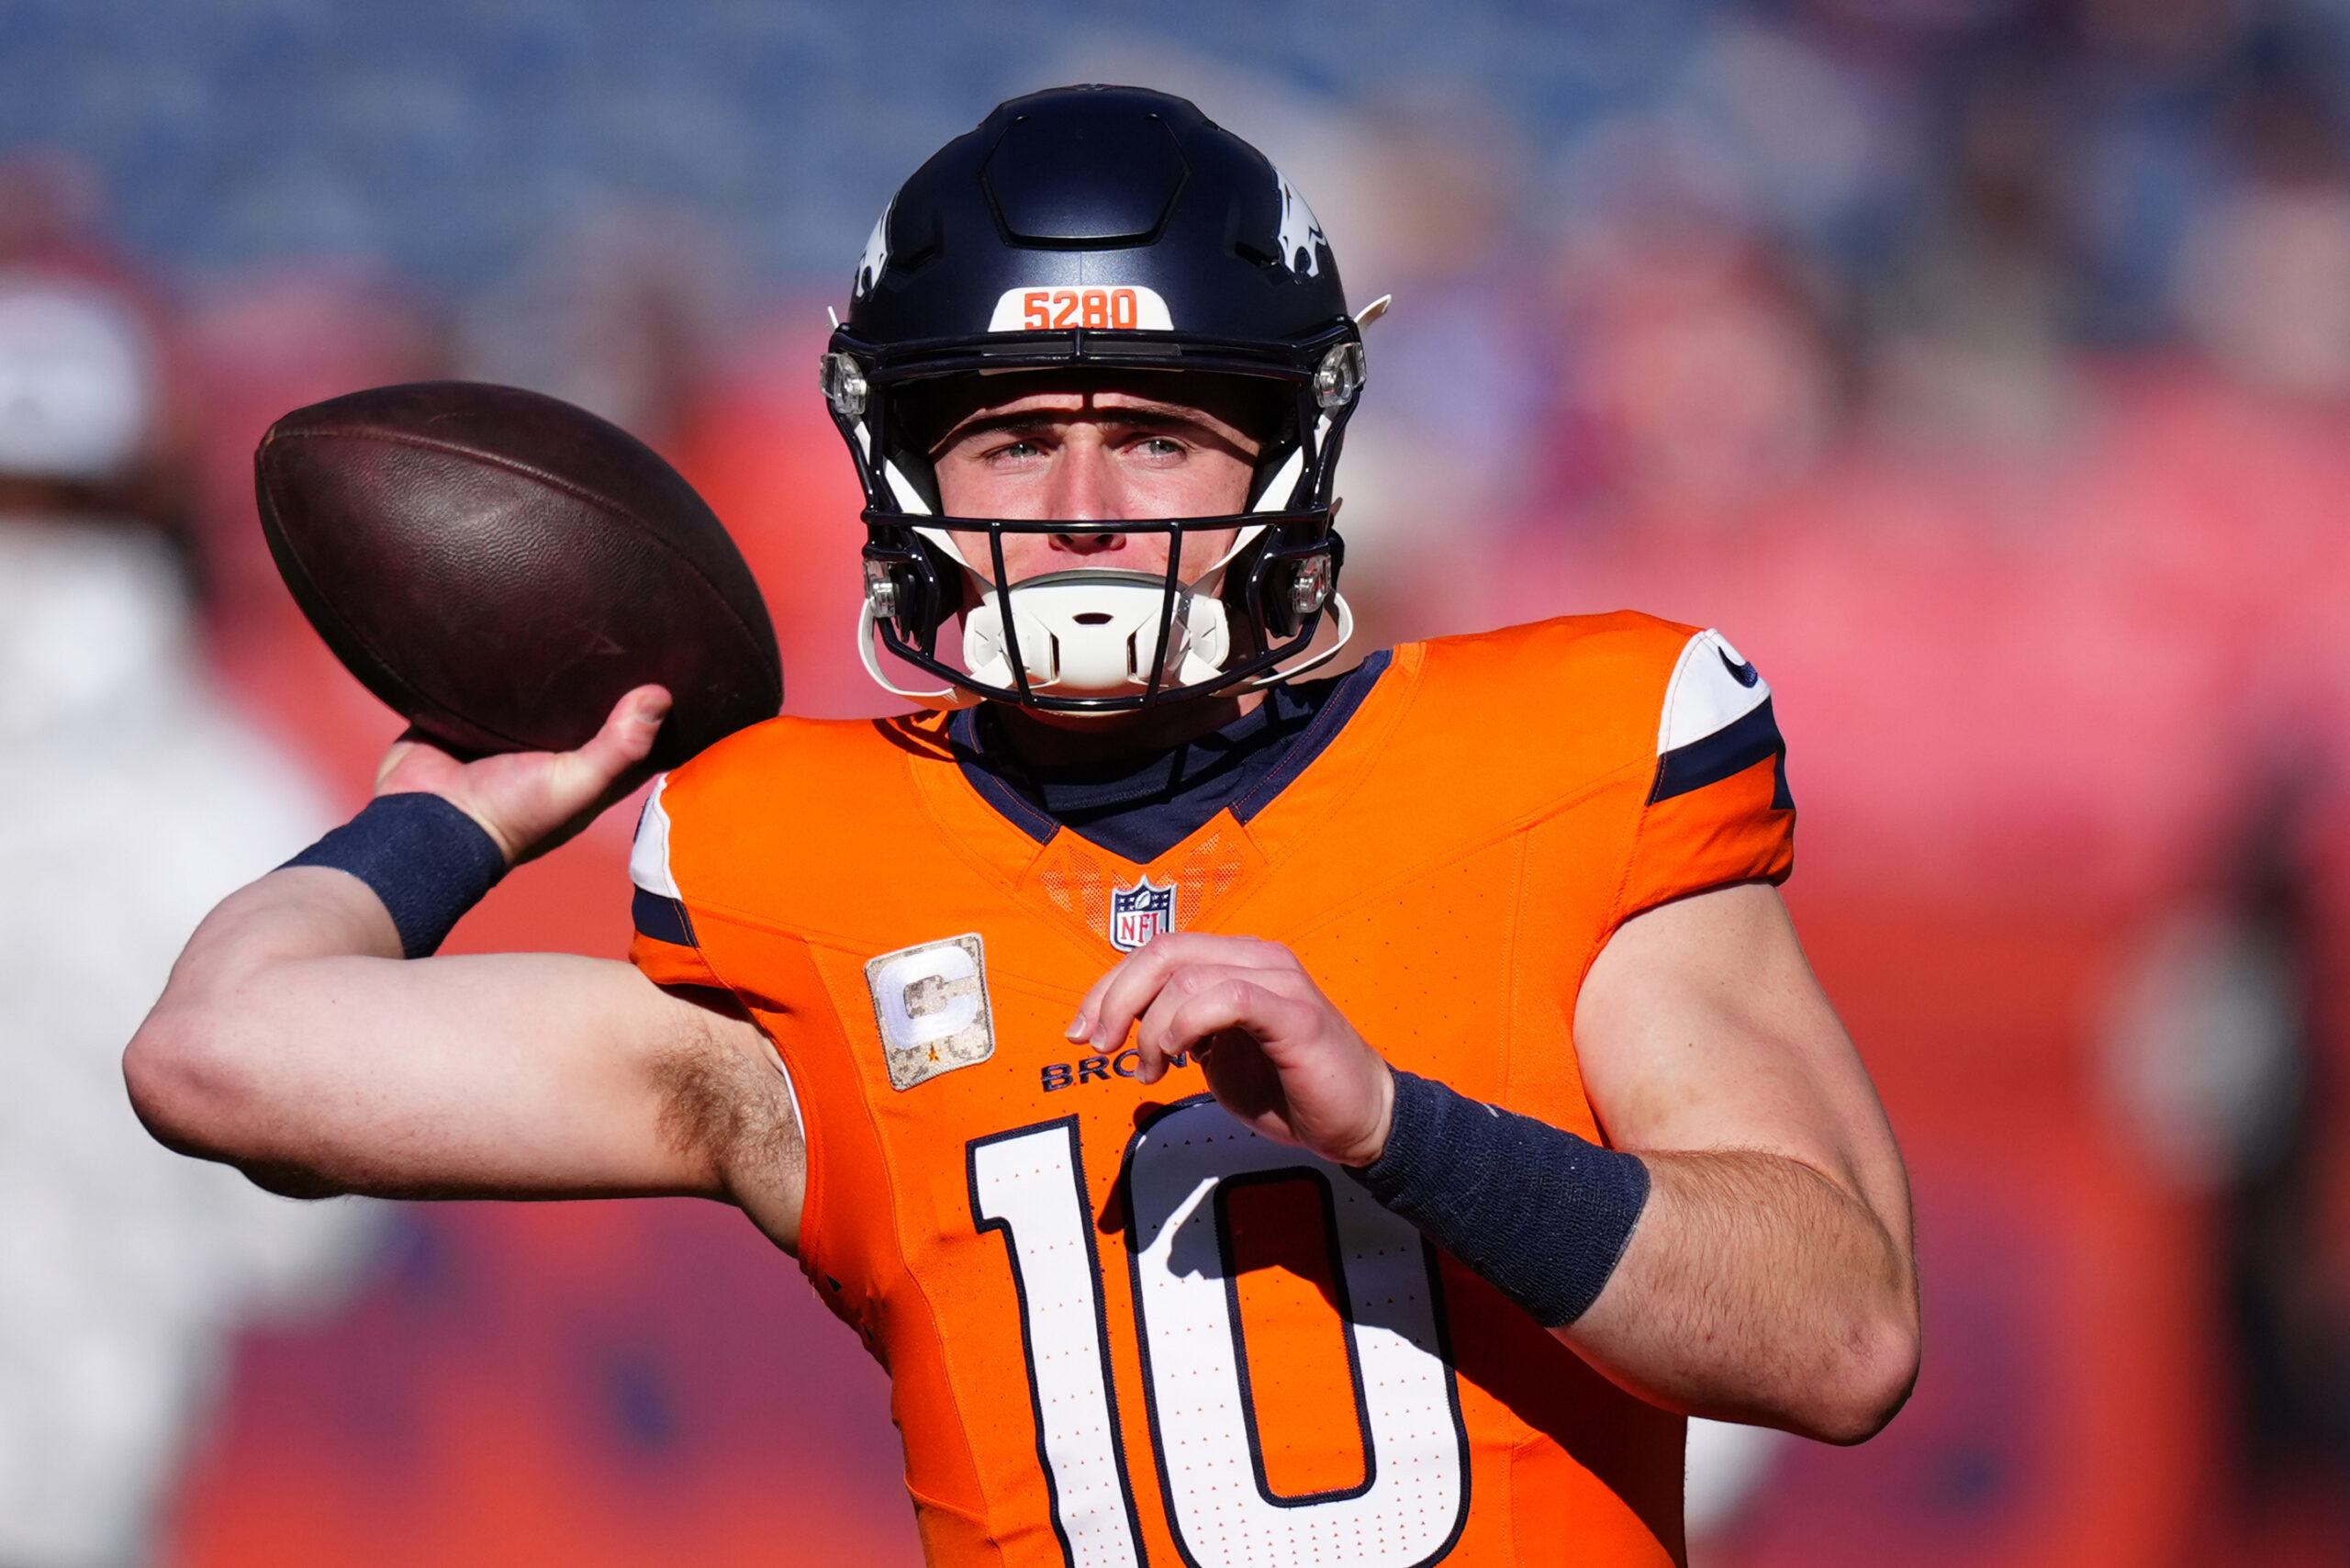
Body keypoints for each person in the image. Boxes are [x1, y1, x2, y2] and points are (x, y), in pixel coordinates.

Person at [126, 87, 1919, 1566]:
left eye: (1149, 434)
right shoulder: (804, 861)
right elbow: (227, 1053)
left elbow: (1837, 1338)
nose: (1073, 505)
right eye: (1004, 437)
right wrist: (447, 819)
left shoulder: (1570, 752)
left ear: (1285, 456)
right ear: (899, 464)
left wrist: (1390, 1119)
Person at [0, 263, 375, 1568]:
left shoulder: (227, 781)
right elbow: (308, 1226)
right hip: (89, 1478)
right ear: (151, 484)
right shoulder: (229, 791)